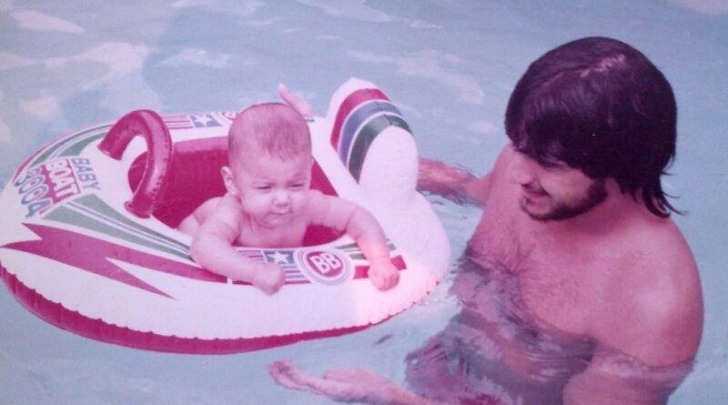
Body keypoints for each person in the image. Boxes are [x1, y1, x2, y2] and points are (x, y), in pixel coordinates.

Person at [267, 37, 704, 404]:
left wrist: (393, 399)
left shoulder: (652, 306)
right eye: (520, 147)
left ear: (621, 168)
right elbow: (464, 191)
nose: (521, 173)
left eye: (548, 163)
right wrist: (334, 147)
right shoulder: (526, 167)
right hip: (428, 364)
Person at [180, 98, 399, 294]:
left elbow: (356, 215)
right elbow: (203, 247)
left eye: (295, 184)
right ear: (232, 182)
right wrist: (254, 272)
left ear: (309, 172)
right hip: (194, 234)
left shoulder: (308, 205)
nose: (284, 199)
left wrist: (380, 260)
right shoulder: (231, 212)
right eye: (265, 188)